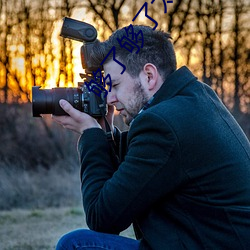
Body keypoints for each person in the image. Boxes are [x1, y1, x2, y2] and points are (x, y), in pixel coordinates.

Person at [53, 25, 250, 250]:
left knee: (76, 244)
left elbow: (103, 219)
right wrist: (105, 134)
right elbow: (137, 175)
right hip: (213, 240)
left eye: (115, 85)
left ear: (149, 75)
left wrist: (90, 135)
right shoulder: (195, 98)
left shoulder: (162, 124)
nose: (110, 98)